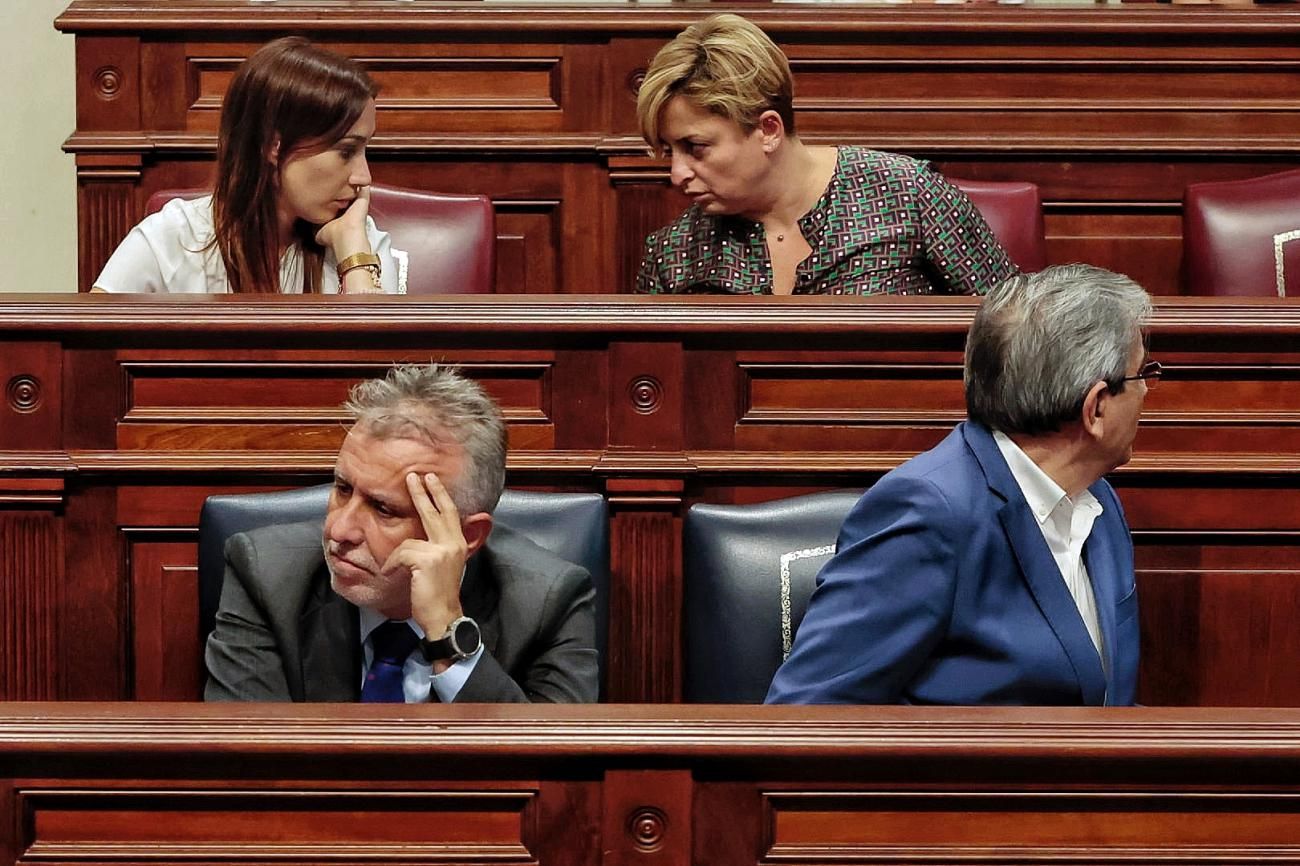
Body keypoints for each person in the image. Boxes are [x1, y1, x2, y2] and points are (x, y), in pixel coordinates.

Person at [767, 264, 1157, 705]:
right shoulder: (928, 512)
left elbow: (1101, 698)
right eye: (1144, 374)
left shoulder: (1095, 498)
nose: (1148, 392)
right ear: (1096, 409)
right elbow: (807, 712)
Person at [205, 364, 598, 702]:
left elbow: (554, 777)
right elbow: (244, 771)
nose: (339, 530)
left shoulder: (548, 602)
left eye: (384, 509)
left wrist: (448, 634)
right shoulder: (267, 575)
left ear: (468, 537)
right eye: (342, 489)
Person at [635, 14, 1017, 297]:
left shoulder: (909, 195)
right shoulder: (675, 251)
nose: (677, 173)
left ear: (768, 130)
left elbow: (1026, 339)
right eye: (669, 151)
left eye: (695, 148)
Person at [93, 37, 401, 294]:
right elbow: (93, 356)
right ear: (272, 145)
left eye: (365, 149)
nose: (365, 177)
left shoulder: (359, 237)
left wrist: (354, 256)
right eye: (346, 151)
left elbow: (381, 363)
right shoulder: (173, 238)